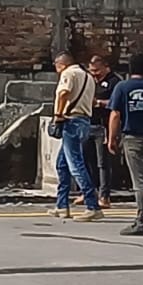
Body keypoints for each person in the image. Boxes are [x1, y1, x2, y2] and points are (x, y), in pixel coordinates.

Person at [108, 53, 143, 236]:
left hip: (132, 138)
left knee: (139, 183)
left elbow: (115, 114)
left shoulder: (122, 87)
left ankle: (142, 221)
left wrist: (111, 138)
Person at [47, 52, 102, 222]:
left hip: (71, 121)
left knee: (76, 165)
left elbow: (63, 93)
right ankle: (61, 205)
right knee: (62, 164)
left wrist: (58, 114)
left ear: (60, 64)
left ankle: (93, 206)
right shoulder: (88, 77)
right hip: (85, 120)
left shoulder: (68, 73)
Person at [82, 55, 122, 208]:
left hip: (104, 126)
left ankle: (104, 195)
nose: (95, 74)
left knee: (102, 163)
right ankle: (88, 192)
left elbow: (116, 103)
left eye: (97, 71)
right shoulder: (88, 81)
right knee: (86, 160)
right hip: (88, 123)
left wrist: (98, 103)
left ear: (106, 67)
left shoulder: (114, 82)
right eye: (92, 71)